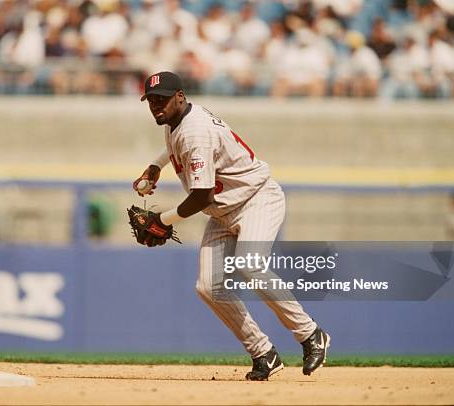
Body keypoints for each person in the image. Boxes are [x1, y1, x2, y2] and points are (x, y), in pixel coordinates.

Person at [132, 71, 330, 381]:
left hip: (256, 199)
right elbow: (175, 147)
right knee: (209, 287)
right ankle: (263, 352)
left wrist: (161, 220)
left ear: (180, 97)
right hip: (224, 211)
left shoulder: (194, 132)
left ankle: (310, 334)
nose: (157, 105)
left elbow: (201, 196)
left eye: (163, 99)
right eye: (152, 100)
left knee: (250, 265)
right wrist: (156, 166)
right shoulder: (177, 119)